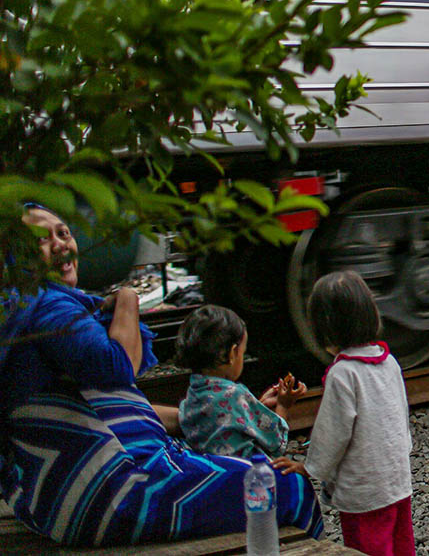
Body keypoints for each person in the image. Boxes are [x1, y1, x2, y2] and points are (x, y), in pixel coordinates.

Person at [0, 205, 323, 546]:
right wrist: (127, 298)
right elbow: (116, 366)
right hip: (117, 493)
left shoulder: (22, 310)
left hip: (67, 496)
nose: (60, 244)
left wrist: (217, 417)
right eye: (41, 240)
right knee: (288, 486)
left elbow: (106, 406)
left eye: (63, 233)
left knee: (244, 467)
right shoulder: (49, 307)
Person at [275, 271, 415, 556]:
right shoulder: (389, 362)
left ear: (325, 327)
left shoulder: (343, 374)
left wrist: (310, 467)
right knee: (401, 545)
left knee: (368, 549)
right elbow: (400, 415)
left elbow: (332, 433)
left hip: (364, 491)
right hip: (397, 481)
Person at [176, 304, 305, 459]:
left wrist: (257, 404)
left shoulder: (193, 393)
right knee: (298, 481)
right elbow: (276, 443)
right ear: (232, 354)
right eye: (242, 353)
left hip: (211, 472)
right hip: (245, 475)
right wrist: (283, 405)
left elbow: (227, 418)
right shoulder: (235, 394)